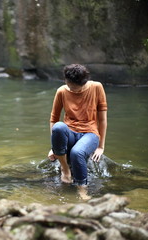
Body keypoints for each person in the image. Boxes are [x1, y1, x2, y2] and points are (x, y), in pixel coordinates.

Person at [47, 64, 107, 200]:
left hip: (90, 133)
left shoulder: (97, 87)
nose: (70, 89)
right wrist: (55, 148)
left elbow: (102, 120)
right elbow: (53, 119)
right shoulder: (62, 91)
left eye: (73, 87)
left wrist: (101, 146)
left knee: (77, 153)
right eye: (68, 84)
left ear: (83, 83)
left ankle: (82, 190)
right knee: (58, 127)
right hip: (69, 132)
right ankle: (65, 170)